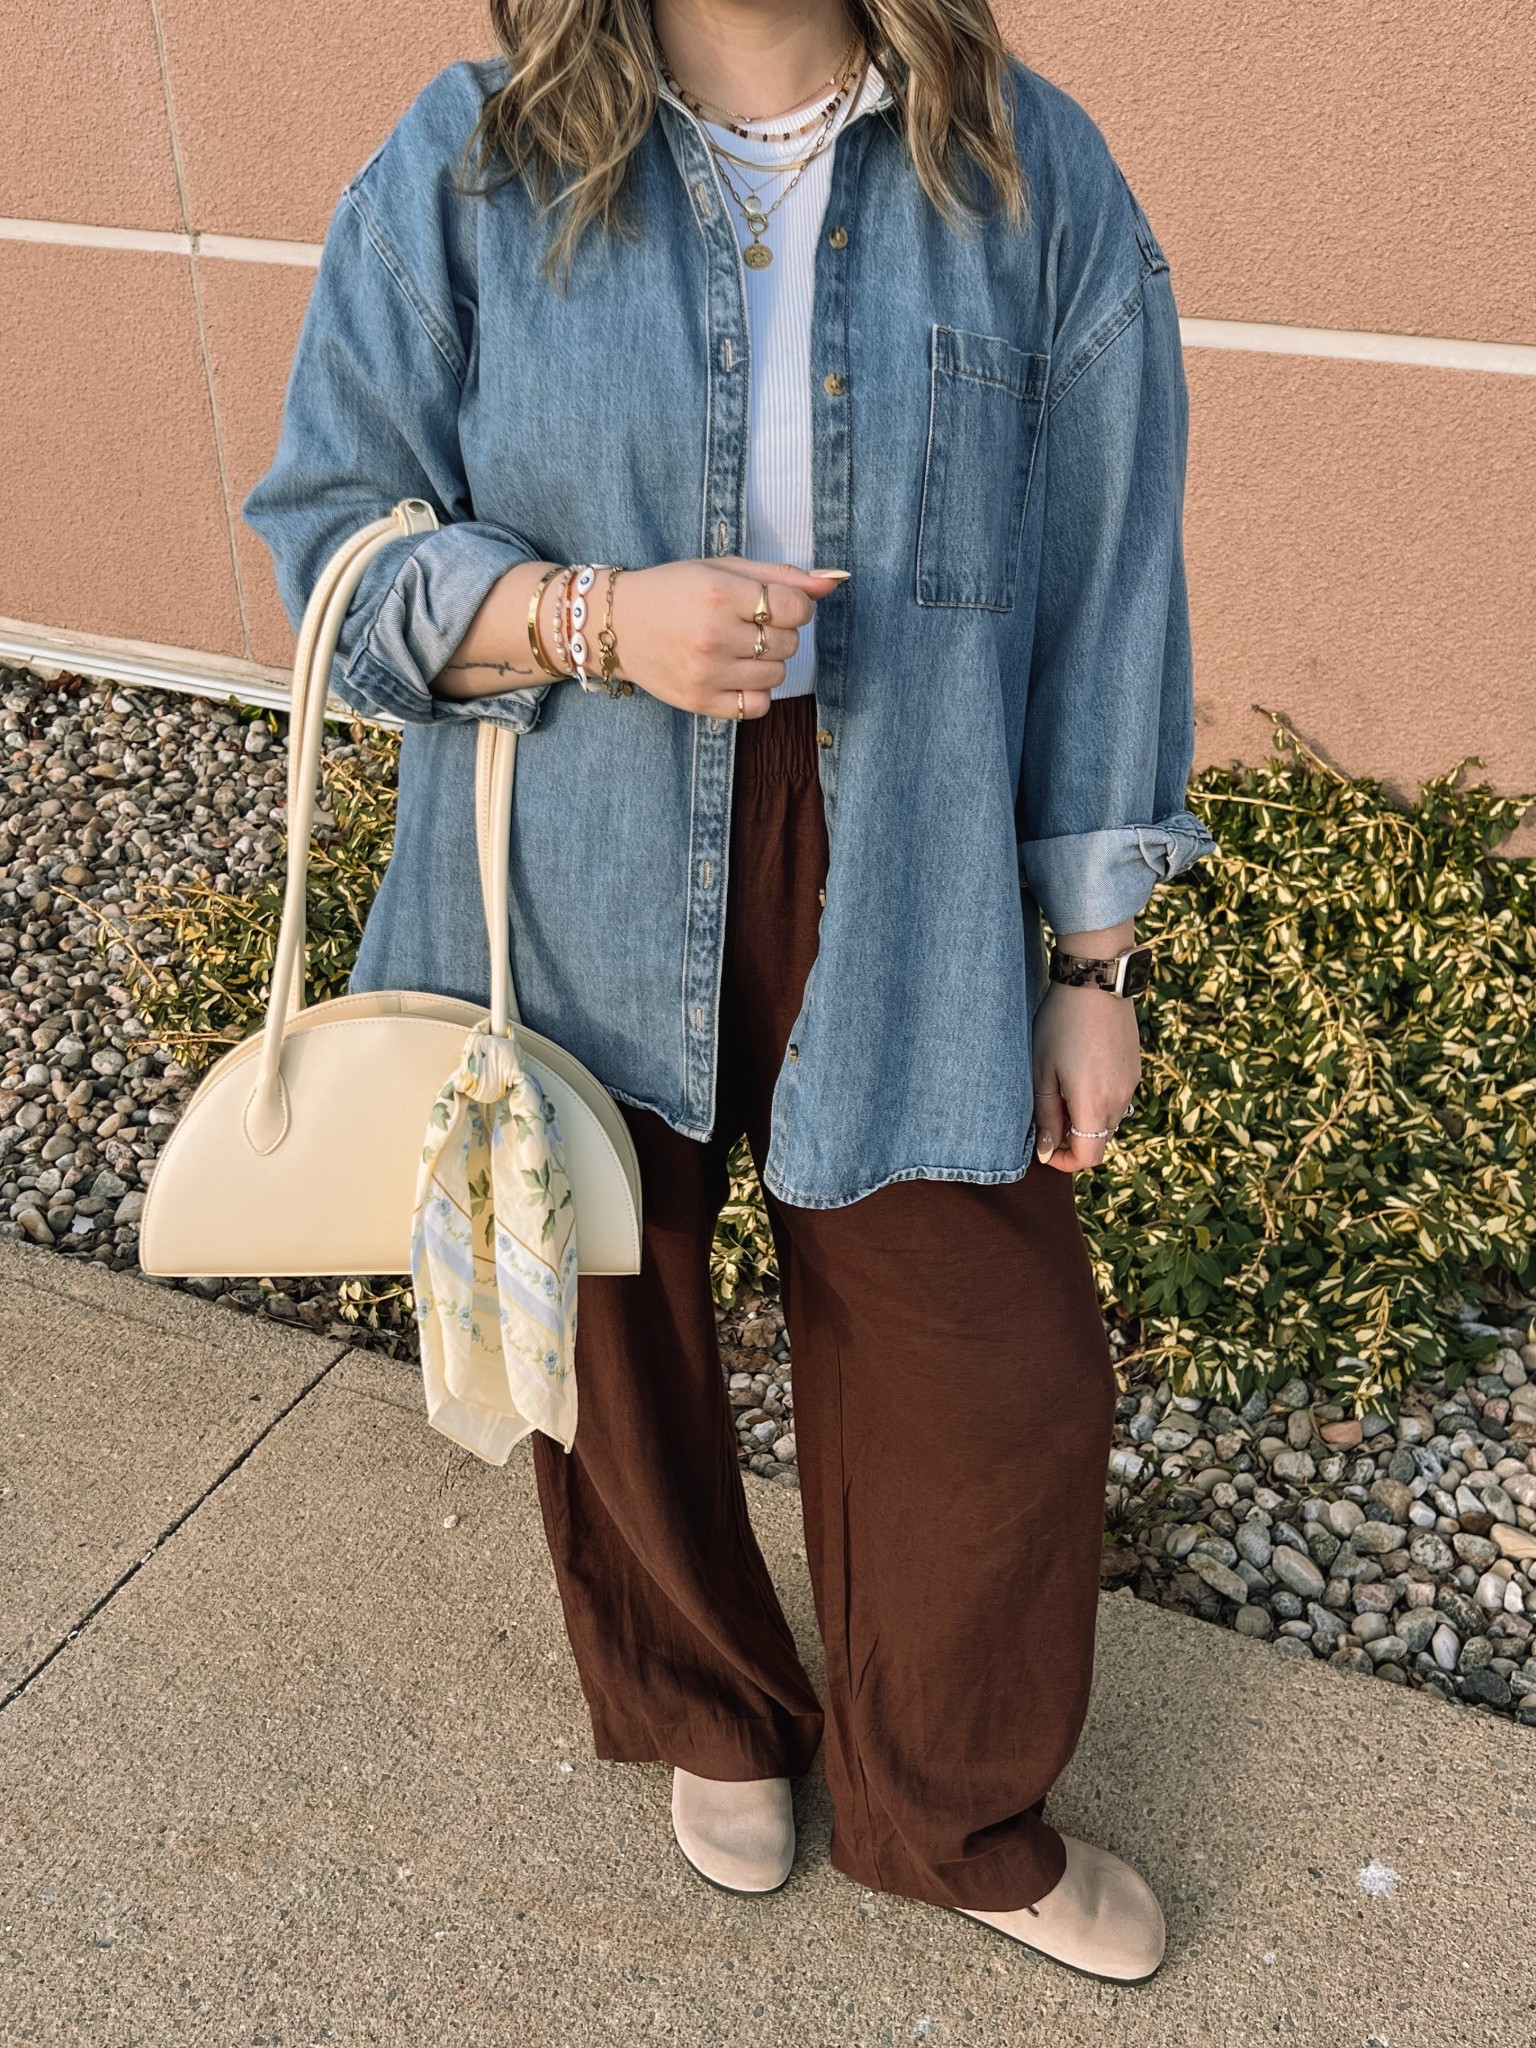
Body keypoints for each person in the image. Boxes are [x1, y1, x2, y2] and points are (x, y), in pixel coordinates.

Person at [243, 0, 1215, 1984]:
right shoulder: (468, 161)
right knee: (606, 1307)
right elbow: (332, 537)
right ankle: (710, 1703)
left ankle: (944, 1805)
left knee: (995, 1353)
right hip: (578, 829)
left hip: (917, 844)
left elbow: (1113, 574)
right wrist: (589, 616)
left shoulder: (1028, 168)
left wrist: (1095, 955)